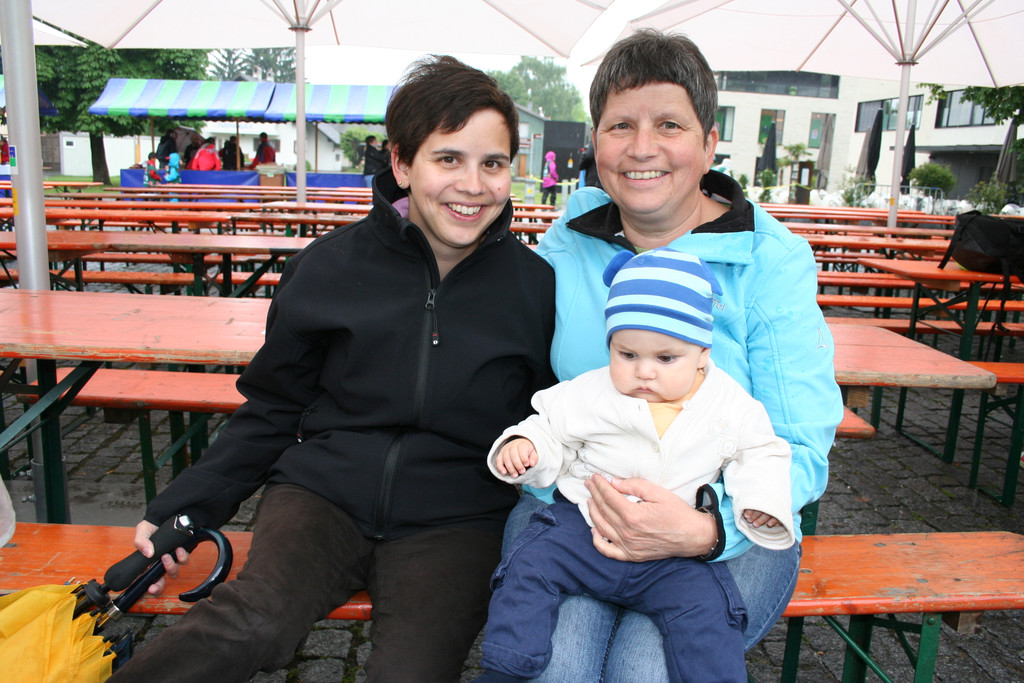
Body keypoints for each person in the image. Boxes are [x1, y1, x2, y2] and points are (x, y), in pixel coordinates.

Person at [110, 55, 555, 683]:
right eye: (448, 159)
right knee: (253, 621)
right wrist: (185, 508)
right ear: (402, 163)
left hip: (457, 522)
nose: (473, 185)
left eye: (493, 163)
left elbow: (551, 417)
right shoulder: (326, 268)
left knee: (411, 672)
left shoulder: (535, 287)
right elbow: (272, 407)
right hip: (321, 499)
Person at [506, 29, 844, 681]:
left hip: (726, 523)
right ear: (595, 140)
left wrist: (710, 529)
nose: (642, 148)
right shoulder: (572, 235)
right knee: (555, 665)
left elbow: (800, 444)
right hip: (579, 508)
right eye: (620, 125)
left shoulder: (770, 260)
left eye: (669, 124)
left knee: (647, 669)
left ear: (709, 143)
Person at [479, 248, 793, 683]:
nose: (644, 372)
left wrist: (760, 500)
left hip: (674, 552)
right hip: (585, 526)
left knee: (709, 608)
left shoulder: (731, 406)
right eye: (627, 355)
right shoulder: (590, 391)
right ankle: (507, 667)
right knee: (528, 565)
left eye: (665, 359)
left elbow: (762, 452)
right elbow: (548, 426)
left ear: (702, 353)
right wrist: (526, 445)